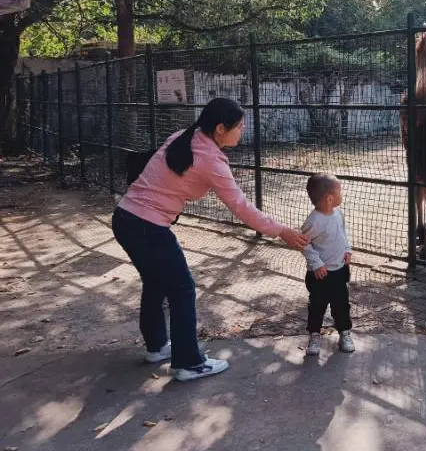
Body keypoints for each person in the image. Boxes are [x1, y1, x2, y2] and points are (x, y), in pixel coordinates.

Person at [111, 97, 309, 382]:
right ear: (220, 129)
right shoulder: (211, 161)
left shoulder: (183, 136)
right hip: (147, 227)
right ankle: (188, 362)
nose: (242, 131)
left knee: (157, 282)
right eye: (239, 127)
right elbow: (242, 207)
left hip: (126, 219)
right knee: (182, 289)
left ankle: (157, 347)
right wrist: (281, 231)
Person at [300, 173, 355, 356]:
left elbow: (343, 235)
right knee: (317, 305)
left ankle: (344, 333)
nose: (342, 195)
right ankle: (315, 335)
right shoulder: (315, 220)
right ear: (330, 199)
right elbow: (304, 242)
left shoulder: (338, 214)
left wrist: (347, 249)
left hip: (339, 270)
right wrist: (316, 264)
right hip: (320, 275)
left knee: (341, 304)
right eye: (339, 192)